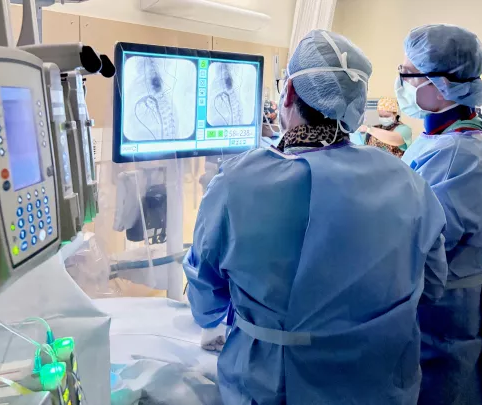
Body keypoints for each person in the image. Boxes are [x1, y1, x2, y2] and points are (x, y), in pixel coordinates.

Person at [183, 29, 449, 405]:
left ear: (288, 93)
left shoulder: (238, 183)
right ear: (355, 103)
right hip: (380, 383)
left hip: (275, 384)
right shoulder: (407, 180)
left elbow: (205, 302)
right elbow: (434, 284)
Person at [397, 24, 482, 405]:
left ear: (442, 83)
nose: (403, 85)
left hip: (447, 313)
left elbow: (426, 240)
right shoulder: (446, 137)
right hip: (441, 305)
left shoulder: (459, 155)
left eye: (408, 75)